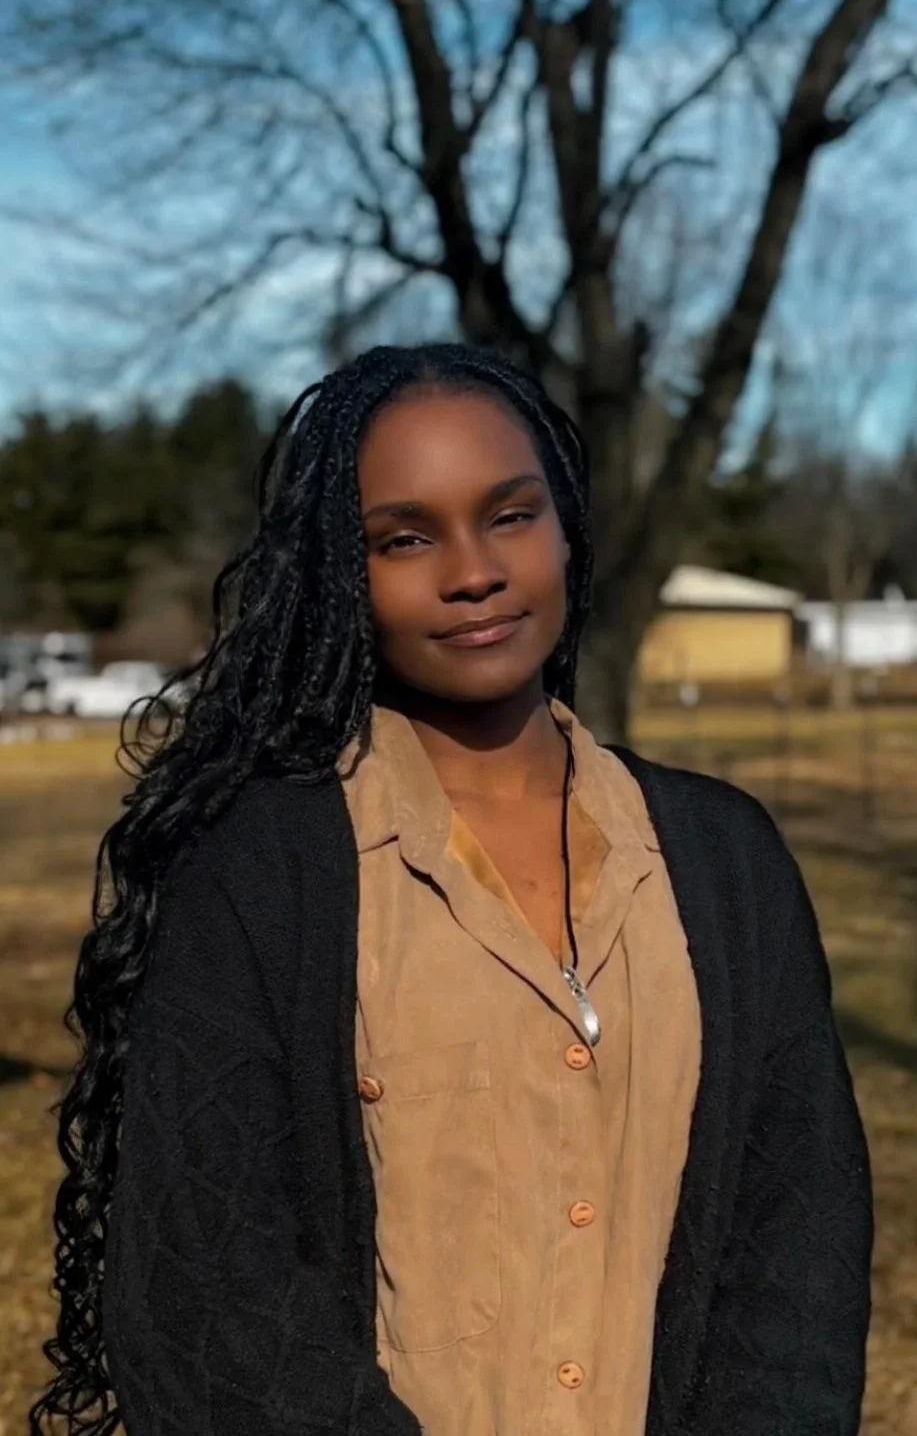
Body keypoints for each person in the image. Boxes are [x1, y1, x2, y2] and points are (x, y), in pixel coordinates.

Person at [30, 343, 873, 1436]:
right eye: (405, 537)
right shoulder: (257, 873)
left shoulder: (726, 863)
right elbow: (213, 1303)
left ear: (566, 528)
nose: (471, 569)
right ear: (343, 572)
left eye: (510, 514)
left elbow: (795, 1243)